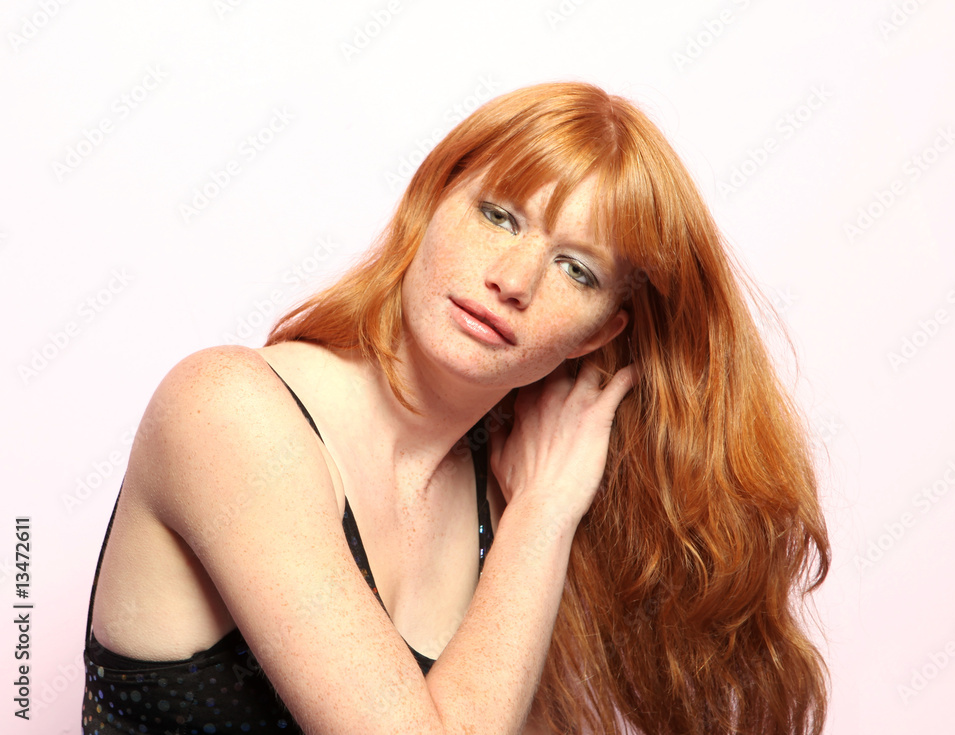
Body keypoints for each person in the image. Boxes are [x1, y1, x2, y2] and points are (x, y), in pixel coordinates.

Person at [81, 81, 830, 735]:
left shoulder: (500, 494)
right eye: (499, 215)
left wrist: (532, 512)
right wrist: (544, 516)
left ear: (599, 333)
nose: (514, 279)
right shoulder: (229, 411)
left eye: (576, 269)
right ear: (430, 201)